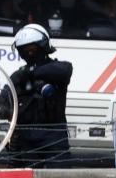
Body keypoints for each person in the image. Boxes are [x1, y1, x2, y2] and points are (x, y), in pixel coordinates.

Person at [8, 23, 74, 167]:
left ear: (43, 47)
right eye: (24, 50)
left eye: (32, 49)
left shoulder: (58, 70)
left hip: (54, 138)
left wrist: (30, 74)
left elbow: (65, 70)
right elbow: (5, 103)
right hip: (26, 140)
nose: (28, 54)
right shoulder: (18, 77)